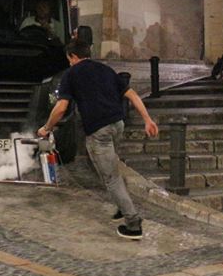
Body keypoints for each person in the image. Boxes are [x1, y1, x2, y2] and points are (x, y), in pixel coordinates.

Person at [38, 40, 159, 240]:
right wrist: (147, 119)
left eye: (69, 59)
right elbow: (133, 94)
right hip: (117, 125)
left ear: (72, 57)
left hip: (99, 130)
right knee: (110, 169)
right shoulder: (105, 69)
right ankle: (121, 206)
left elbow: (60, 108)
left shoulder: (71, 74)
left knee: (110, 177)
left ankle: (133, 223)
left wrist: (46, 128)